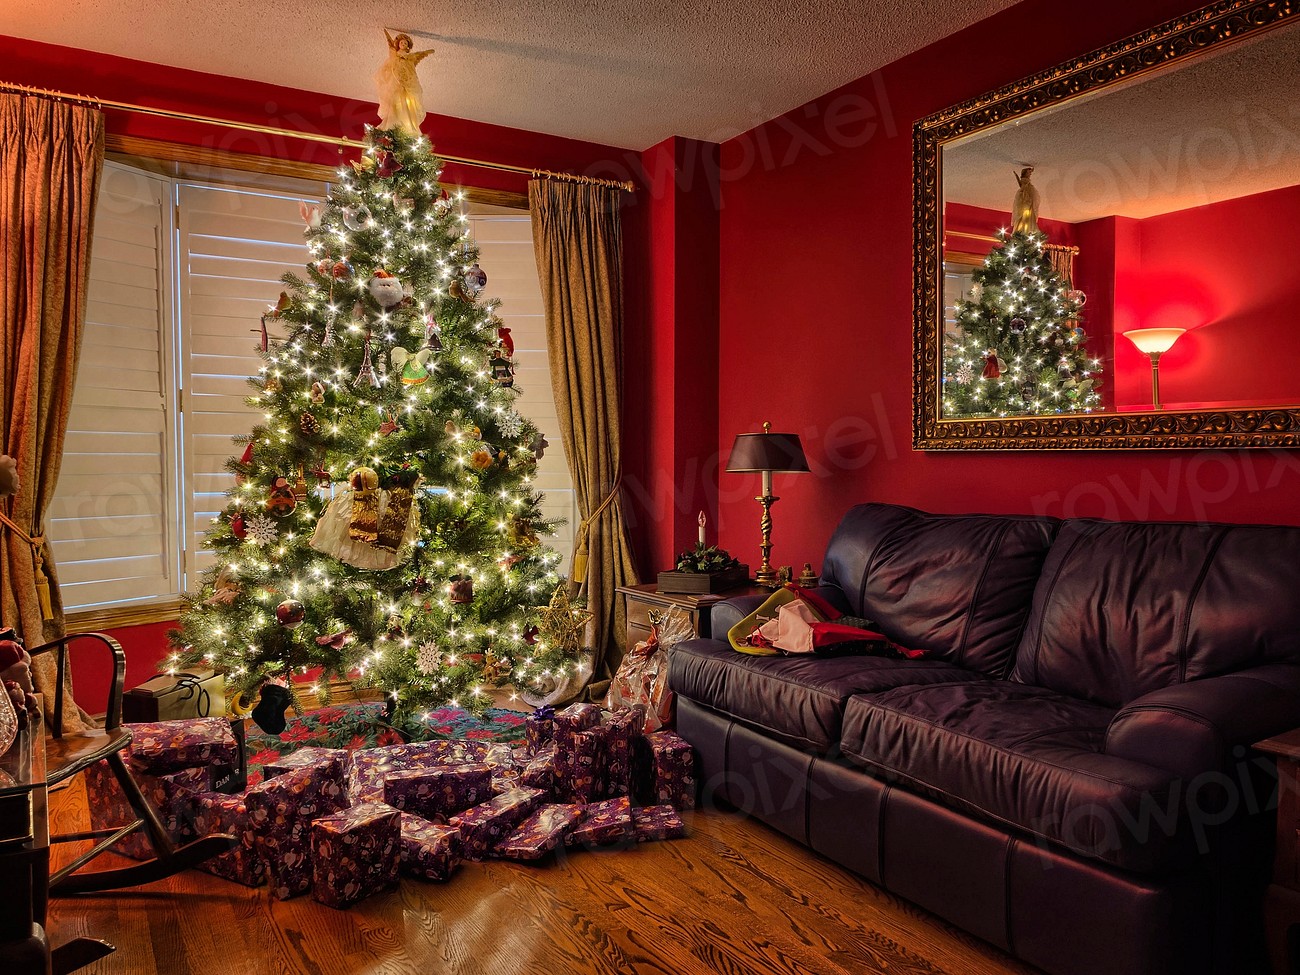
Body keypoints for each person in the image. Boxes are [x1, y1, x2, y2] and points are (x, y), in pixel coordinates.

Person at [375, 29, 434, 135]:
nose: (403, 44)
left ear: (408, 46)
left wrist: (426, 52)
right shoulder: (394, 55)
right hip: (396, 83)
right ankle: (392, 124)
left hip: (407, 84)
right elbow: (390, 45)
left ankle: (406, 124)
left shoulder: (411, 58)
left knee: (407, 104)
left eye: (405, 43)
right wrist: (387, 35)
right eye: (401, 42)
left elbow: (419, 55)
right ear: (398, 44)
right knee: (394, 102)